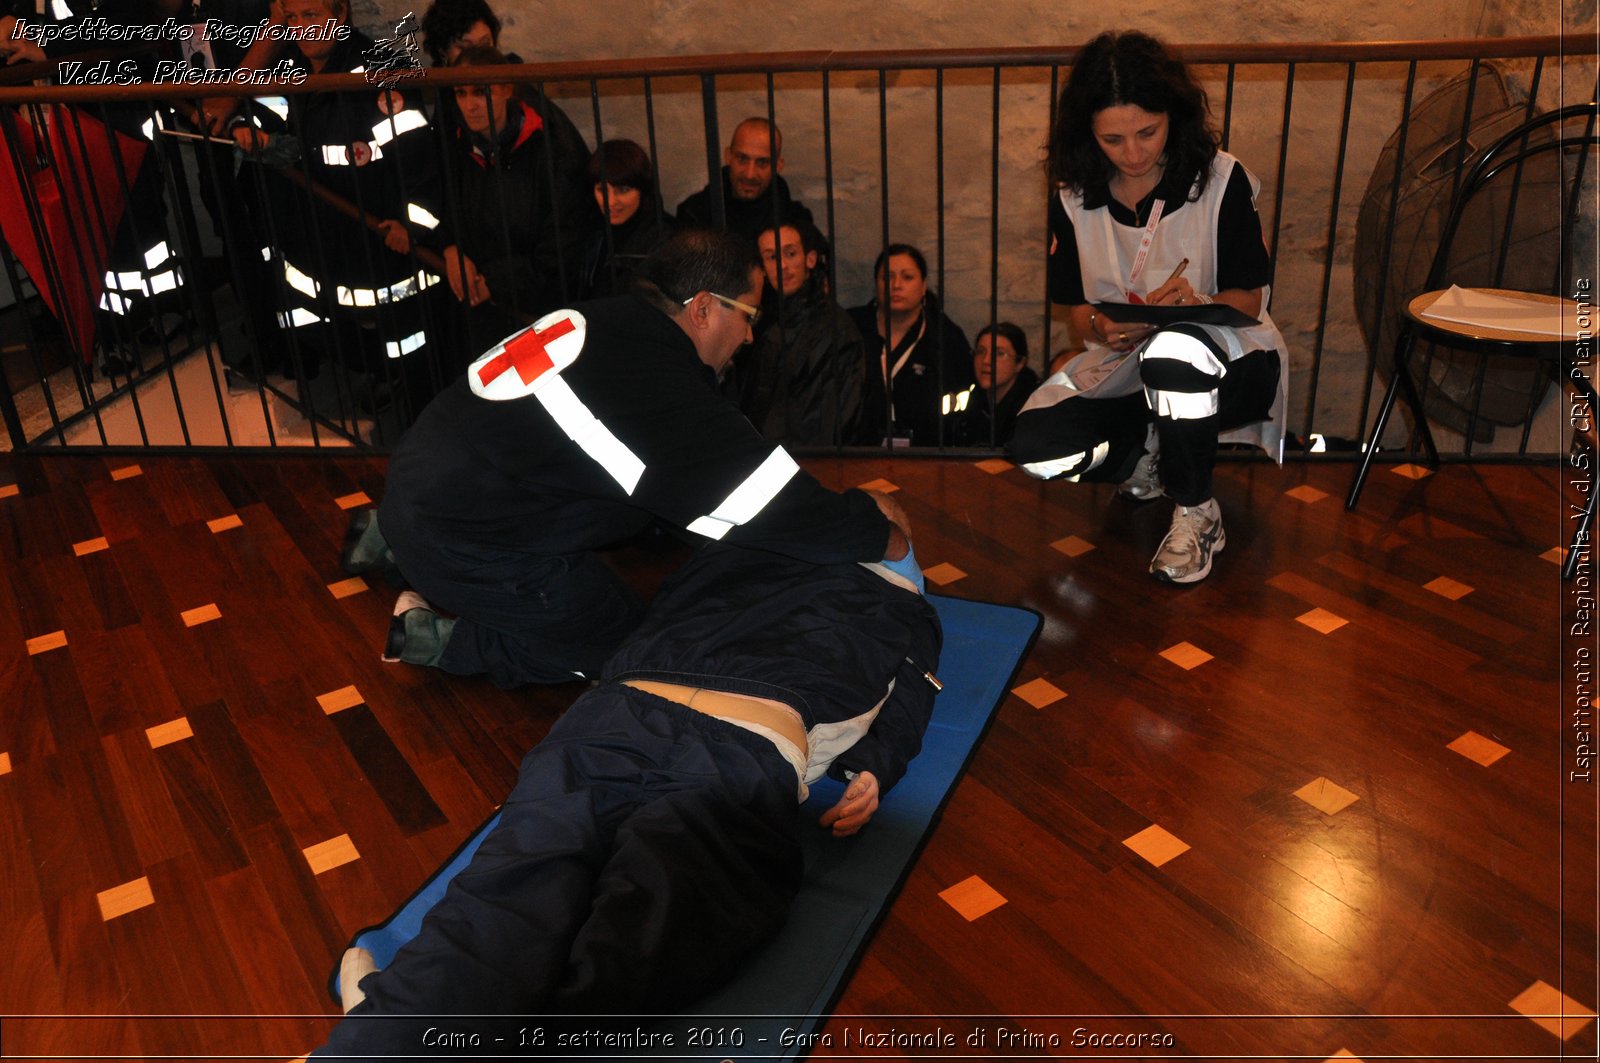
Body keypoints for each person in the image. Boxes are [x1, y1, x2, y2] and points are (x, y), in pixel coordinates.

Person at [313, 509, 941, 1058]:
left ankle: (391, 1031)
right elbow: (910, 693)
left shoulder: (733, 555)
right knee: (650, 931)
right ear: (901, 548)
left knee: (515, 886)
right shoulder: (902, 603)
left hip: (612, 714)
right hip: (740, 745)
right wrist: (878, 766)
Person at [339, 229, 915, 689]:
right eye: (750, 317)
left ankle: (389, 539)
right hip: (461, 535)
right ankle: (441, 641)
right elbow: (761, 502)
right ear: (706, 310)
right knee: (622, 651)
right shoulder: (658, 392)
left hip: (420, 480)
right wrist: (871, 531)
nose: (749, 337)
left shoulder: (607, 319)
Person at [1008, 30, 1287, 584]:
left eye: (1147, 132)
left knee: (1177, 350)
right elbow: (1077, 311)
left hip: (1231, 362)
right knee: (1035, 448)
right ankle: (1148, 460)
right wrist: (1103, 324)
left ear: (1172, 118)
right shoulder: (1072, 194)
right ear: (1088, 134)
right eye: (1113, 140)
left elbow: (1249, 300)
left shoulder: (1220, 180)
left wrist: (1200, 302)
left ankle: (1197, 509)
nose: (1133, 154)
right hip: (1125, 364)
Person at [230, 0, 444, 397]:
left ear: (340, 14)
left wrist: (414, 227)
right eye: (292, 19)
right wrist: (248, 125)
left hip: (375, 240)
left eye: (310, 16)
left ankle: (415, 403)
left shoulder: (381, 71)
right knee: (311, 317)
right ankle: (361, 377)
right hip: (313, 236)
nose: (300, 29)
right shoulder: (288, 67)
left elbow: (421, 167)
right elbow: (264, 107)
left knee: (406, 342)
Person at [426, 45, 595, 359]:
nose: (470, 105)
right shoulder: (460, 147)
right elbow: (446, 207)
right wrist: (450, 248)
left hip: (537, 311)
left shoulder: (548, 149)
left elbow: (563, 241)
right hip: (481, 306)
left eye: (480, 92)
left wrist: (497, 282)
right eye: (461, 94)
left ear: (505, 89)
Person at [730, 210, 864, 445]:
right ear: (761, 267)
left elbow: (828, 423)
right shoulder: (761, 323)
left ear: (810, 259)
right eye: (771, 257)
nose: (782, 266)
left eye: (790, 254)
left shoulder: (835, 330)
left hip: (805, 462)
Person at [848, 243, 972, 447]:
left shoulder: (945, 336)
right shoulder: (851, 328)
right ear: (876, 284)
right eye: (887, 277)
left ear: (923, 286)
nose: (896, 285)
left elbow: (963, 399)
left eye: (907, 277)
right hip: (858, 450)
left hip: (927, 453)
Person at [675, 117, 814, 245]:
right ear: (728, 156)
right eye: (742, 159)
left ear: (778, 165)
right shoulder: (695, 217)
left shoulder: (795, 223)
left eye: (762, 162)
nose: (749, 174)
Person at [583, 138, 674, 298]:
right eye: (601, 190)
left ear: (642, 191)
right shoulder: (590, 231)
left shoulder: (666, 239)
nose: (610, 201)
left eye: (623, 190)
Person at [943, 322, 1040, 446]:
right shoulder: (970, 395)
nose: (986, 361)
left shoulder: (1031, 408)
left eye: (999, 353)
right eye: (980, 352)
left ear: (1020, 363)